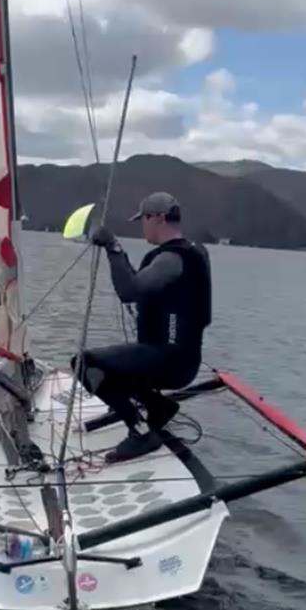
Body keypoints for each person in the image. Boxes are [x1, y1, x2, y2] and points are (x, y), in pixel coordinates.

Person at [73, 191, 212, 465]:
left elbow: (128, 290)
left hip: (168, 361)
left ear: (158, 218)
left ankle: (142, 432)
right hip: (186, 360)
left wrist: (113, 247)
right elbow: (152, 288)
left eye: (143, 220)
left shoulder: (172, 259)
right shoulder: (195, 252)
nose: (142, 226)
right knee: (118, 364)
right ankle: (158, 406)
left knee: (84, 364)